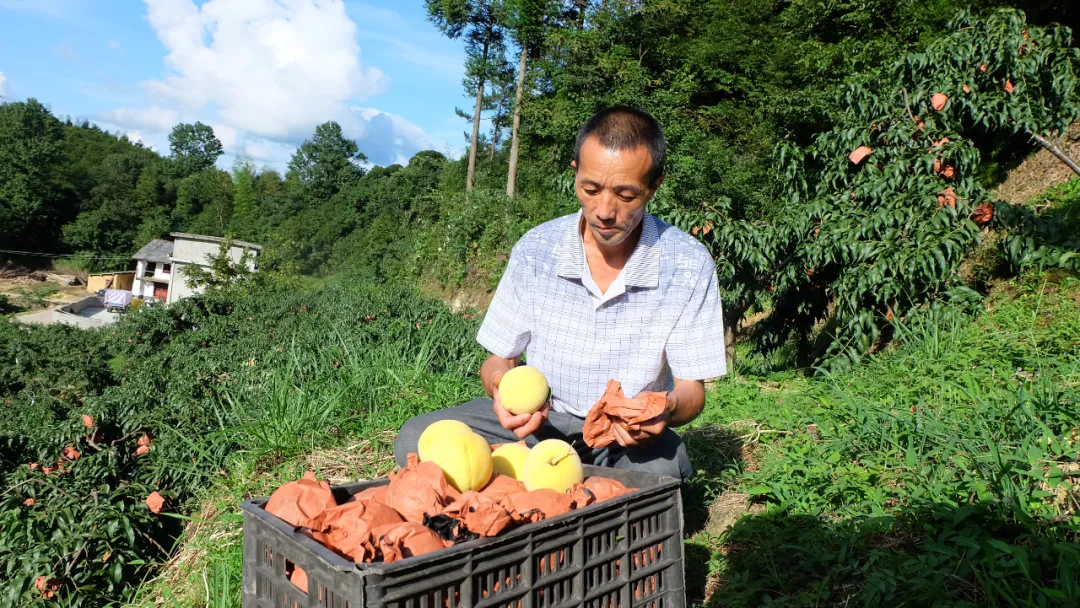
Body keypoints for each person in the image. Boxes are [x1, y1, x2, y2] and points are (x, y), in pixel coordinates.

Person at [394, 105, 727, 481]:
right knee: (415, 437)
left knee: (665, 469)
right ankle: (556, 479)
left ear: (654, 187)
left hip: (623, 437)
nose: (604, 210)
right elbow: (497, 360)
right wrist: (502, 392)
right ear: (575, 173)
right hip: (541, 422)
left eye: (626, 195)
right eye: (590, 188)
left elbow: (691, 393)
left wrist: (662, 411)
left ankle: (539, 481)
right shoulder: (537, 249)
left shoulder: (687, 264)